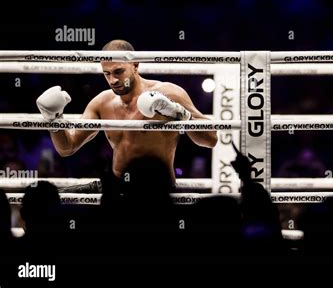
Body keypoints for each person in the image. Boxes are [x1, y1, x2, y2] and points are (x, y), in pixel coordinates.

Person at [35, 40, 217, 188]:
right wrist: (54, 120)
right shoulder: (102, 102)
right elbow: (68, 147)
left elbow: (211, 139)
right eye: (106, 74)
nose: (113, 80)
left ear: (135, 65)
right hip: (117, 193)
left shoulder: (168, 93)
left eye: (118, 72)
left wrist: (181, 114)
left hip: (158, 192)